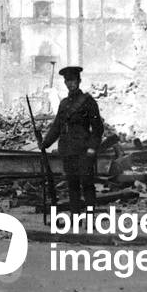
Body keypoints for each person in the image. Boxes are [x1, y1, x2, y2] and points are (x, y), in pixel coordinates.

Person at [40, 66, 105, 213]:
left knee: (87, 184)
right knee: (72, 184)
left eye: (73, 80)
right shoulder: (63, 104)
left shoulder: (88, 102)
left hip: (84, 151)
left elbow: (98, 129)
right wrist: (45, 143)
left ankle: (89, 216)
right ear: (65, 83)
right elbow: (56, 126)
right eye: (68, 81)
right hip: (68, 151)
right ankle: (75, 215)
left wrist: (92, 149)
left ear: (79, 81)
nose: (70, 83)